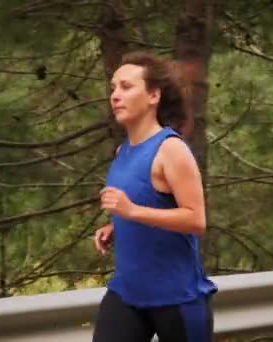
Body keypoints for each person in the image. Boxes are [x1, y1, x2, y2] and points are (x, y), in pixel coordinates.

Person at [92, 51, 217, 342]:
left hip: (177, 298)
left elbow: (195, 219)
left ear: (153, 96)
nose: (115, 96)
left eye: (126, 87)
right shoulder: (124, 151)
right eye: (113, 88)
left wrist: (132, 212)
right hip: (128, 293)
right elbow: (150, 204)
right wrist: (117, 226)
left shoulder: (171, 149)